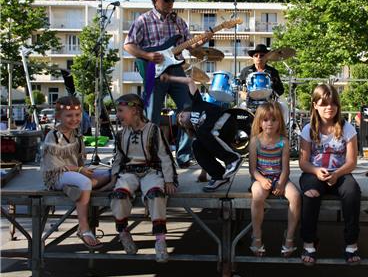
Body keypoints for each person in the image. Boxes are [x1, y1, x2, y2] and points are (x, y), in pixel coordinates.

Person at [123, 0, 212, 168]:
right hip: (152, 72)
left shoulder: (178, 21)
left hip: (176, 70)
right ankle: (151, 156)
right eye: (166, 0)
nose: (170, 4)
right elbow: (128, 45)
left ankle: (184, 156)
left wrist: (204, 39)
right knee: (152, 116)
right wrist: (147, 55)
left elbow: (190, 45)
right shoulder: (143, 20)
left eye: (172, 0)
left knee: (191, 110)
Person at [100, 94, 177, 262]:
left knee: (156, 195)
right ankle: (123, 233)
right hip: (129, 172)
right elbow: (118, 158)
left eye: (121, 111)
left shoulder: (153, 130)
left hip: (151, 171)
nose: (118, 115)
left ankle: (160, 241)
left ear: (135, 110)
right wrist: (113, 179)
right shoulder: (121, 134)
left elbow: (164, 156)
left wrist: (169, 180)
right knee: (119, 195)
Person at [299, 84, 361, 266]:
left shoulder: (347, 128)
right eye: (324, 103)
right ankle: (309, 243)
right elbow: (303, 163)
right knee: (310, 194)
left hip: (340, 173)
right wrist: (317, 171)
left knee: (352, 192)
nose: (329, 107)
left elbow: (352, 162)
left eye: (333, 103)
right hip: (314, 173)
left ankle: (351, 244)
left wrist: (337, 174)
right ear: (315, 105)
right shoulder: (308, 129)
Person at [40, 96, 110, 249]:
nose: (74, 119)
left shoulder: (77, 135)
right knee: (84, 182)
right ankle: (83, 228)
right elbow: (55, 166)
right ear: (59, 116)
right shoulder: (53, 136)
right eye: (69, 115)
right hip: (56, 175)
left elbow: (79, 160)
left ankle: (78, 188)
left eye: (77, 115)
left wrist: (83, 170)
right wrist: (80, 171)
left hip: (74, 174)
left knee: (111, 174)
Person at [161, 74, 242, 192]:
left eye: (181, 115)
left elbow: (189, 81)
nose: (181, 119)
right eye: (180, 122)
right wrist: (204, 173)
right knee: (197, 145)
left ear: (187, 110)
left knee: (202, 132)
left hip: (226, 121)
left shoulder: (196, 103)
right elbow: (209, 150)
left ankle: (233, 159)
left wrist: (170, 78)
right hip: (218, 136)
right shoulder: (198, 131)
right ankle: (218, 176)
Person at [248, 101, 301, 257]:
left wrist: (281, 182)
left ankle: (289, 236)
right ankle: (256, 235)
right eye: (265, 120)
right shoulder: (255, 141)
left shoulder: (283, 141)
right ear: (259, 121)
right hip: (260, 177)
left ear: (280, 121)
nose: (269, 123)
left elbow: (286, 168)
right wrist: (262, 180)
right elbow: (252, 170)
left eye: (274, 120)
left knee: (296, 197)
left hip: (280, 176)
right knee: (257, 195)